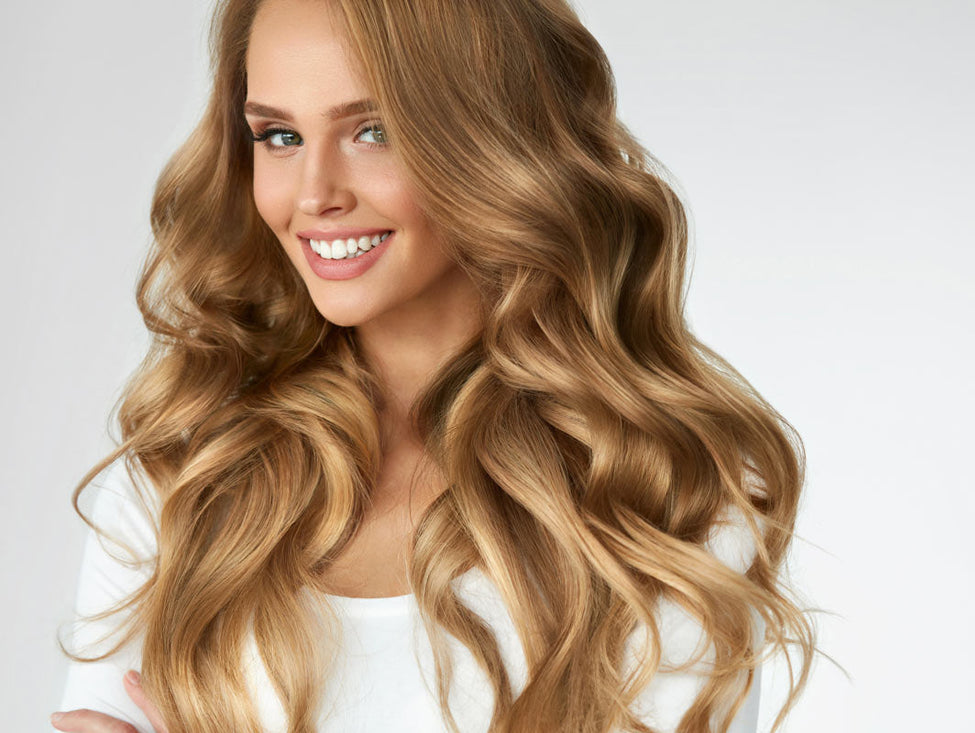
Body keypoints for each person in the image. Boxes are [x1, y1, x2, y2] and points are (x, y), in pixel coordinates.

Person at [51, 0, 817, 731]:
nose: (314, 194)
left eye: (373, 130)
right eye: (279, 137)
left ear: (493, 140)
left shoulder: (663, 496)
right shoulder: (180, 478)